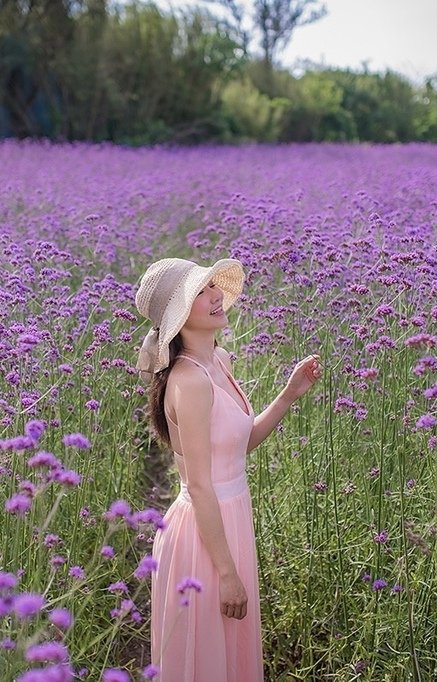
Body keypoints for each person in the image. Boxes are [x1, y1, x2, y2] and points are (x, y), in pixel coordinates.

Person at [134, 257, 321, 681]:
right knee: (206, 660)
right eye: (200, 293)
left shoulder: (220, 362)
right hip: (203, 534)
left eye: (212, 287)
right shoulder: (190, 382)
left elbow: (238, 447)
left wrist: (288, 395)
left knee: (228, 653)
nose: (215, 296)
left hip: (229, 518)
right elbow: (200, 485)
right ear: (179, 317)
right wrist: (226, 573)